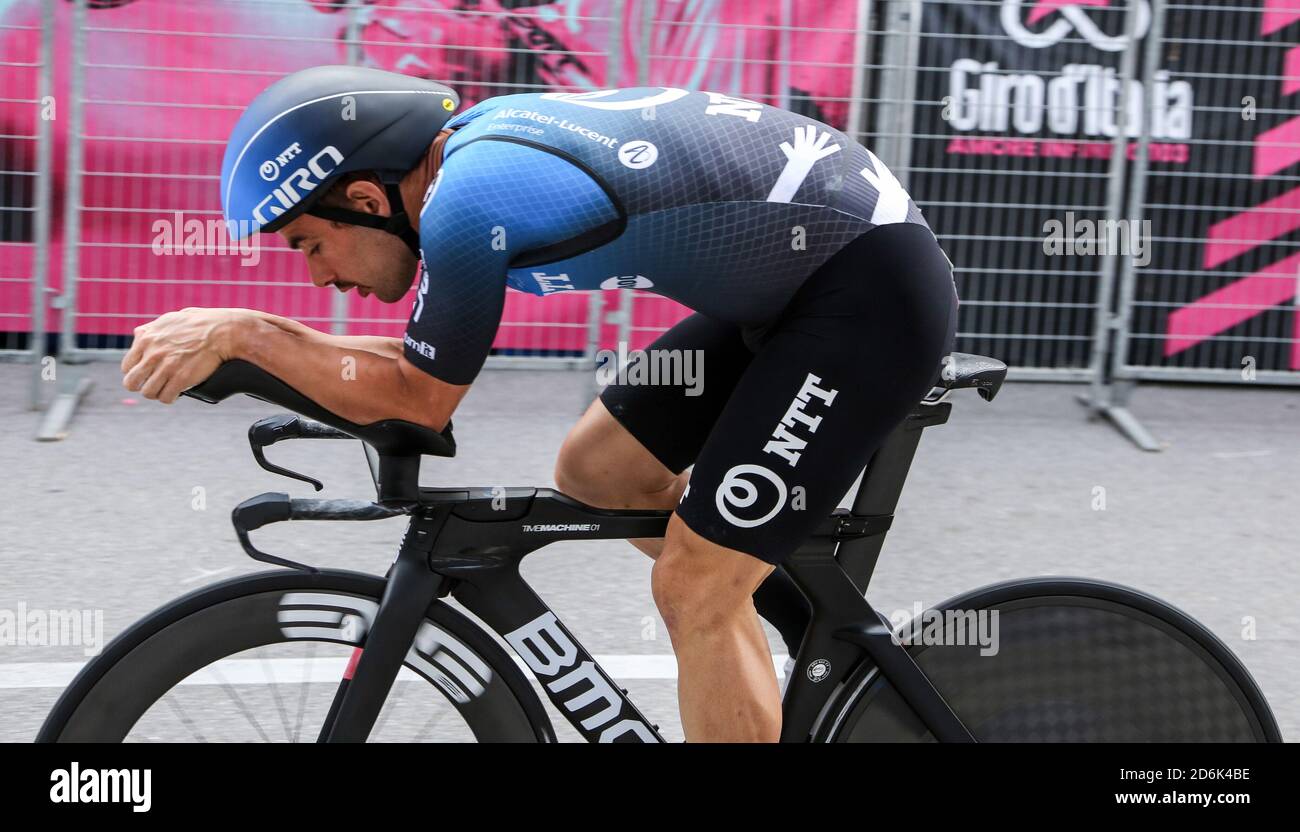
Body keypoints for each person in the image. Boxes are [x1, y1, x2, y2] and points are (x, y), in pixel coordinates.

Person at [122, 65, 958, 742]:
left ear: (368, 201)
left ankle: (737, 598)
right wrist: (255, 340)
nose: (316, 275)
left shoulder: (467, 202)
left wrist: (246, 335)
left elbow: (418, 399)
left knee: (695, 587)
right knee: (598, 470)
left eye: (310, 242)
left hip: (866, 297)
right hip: (799, 287)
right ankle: (808, 623)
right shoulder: (467, 168)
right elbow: (412, 367)